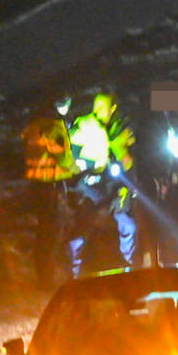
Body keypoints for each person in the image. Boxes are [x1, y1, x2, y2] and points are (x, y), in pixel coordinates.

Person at [67, 91, 138, 275]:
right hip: (89, 185)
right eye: (96, 106)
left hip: (112, 185)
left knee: (127, 223)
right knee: (81, 227)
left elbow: (126, 157)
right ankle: (74, 271)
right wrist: (87, 169)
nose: (98, 110)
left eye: (103, 106)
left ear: (112, 109)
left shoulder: (117, 127)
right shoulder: (84, 125)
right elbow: (73, 155)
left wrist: (127, 186)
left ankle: (128, 265)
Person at [19, 95, 76, 288]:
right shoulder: (55, 127)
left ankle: (43, 275)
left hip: (36, 186)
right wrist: (79, 168)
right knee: (54, 232)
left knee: (44, 232)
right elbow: (65, 159)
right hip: (51, 186)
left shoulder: (35, 126)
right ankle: (49, 279)